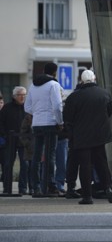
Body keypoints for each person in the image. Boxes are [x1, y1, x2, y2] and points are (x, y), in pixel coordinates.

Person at [63, 70, 112, 205]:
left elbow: (68, 118)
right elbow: (109, 112)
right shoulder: (104, 93)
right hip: (100, 135)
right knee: (102, 163)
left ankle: (87, 196)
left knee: (85, 166)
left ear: (81, 80)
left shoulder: (74, 97)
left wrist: (71, 134)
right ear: (94, 79)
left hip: (82, 137)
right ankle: (108, 187)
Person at [24, 62, 64, 197]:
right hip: (50, 123)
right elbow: (58, 106)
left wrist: (37, 113)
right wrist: (60, 121)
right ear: (55, 72)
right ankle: (49, 185)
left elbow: (27, 107)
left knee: (36, 155)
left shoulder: (33, 85)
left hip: (36, 124)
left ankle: (35, 187)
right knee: (50, 155)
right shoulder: (54, 85)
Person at [0, 86, 28, 194]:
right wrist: (4, 135)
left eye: (24, 95)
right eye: (20, 95)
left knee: (25, 165)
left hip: (24, 140)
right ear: (14, 96)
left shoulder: (28, 108)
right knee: (8, 165)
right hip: (9, 140)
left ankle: (23, 188)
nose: (22, 97)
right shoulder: (7, 108)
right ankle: (7, 189)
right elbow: (1, 122)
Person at [19, 113, 34, 195]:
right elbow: (22, 134)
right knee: (25, 167)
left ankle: (33, 187)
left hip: (38, 148)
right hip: (28, 148)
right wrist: (27, 144)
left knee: (34, 168)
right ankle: (23, 188)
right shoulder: (28, 118)